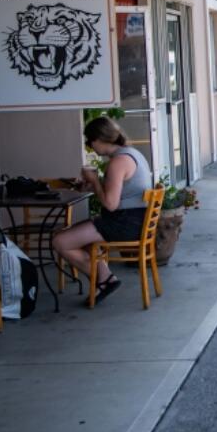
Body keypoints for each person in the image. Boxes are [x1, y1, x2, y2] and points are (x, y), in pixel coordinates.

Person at [53, 116, 153, 306]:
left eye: (89, 143)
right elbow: (118, 192)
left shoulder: (118, 162)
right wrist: (90, 186)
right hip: (132, 220)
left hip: (123, 223)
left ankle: (104, 280)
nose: (90, 148)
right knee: (73, 237)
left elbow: (110, 204)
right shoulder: (131, 153)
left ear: (98, 139)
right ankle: (105, 279)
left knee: (60, 241)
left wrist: (94, 181)